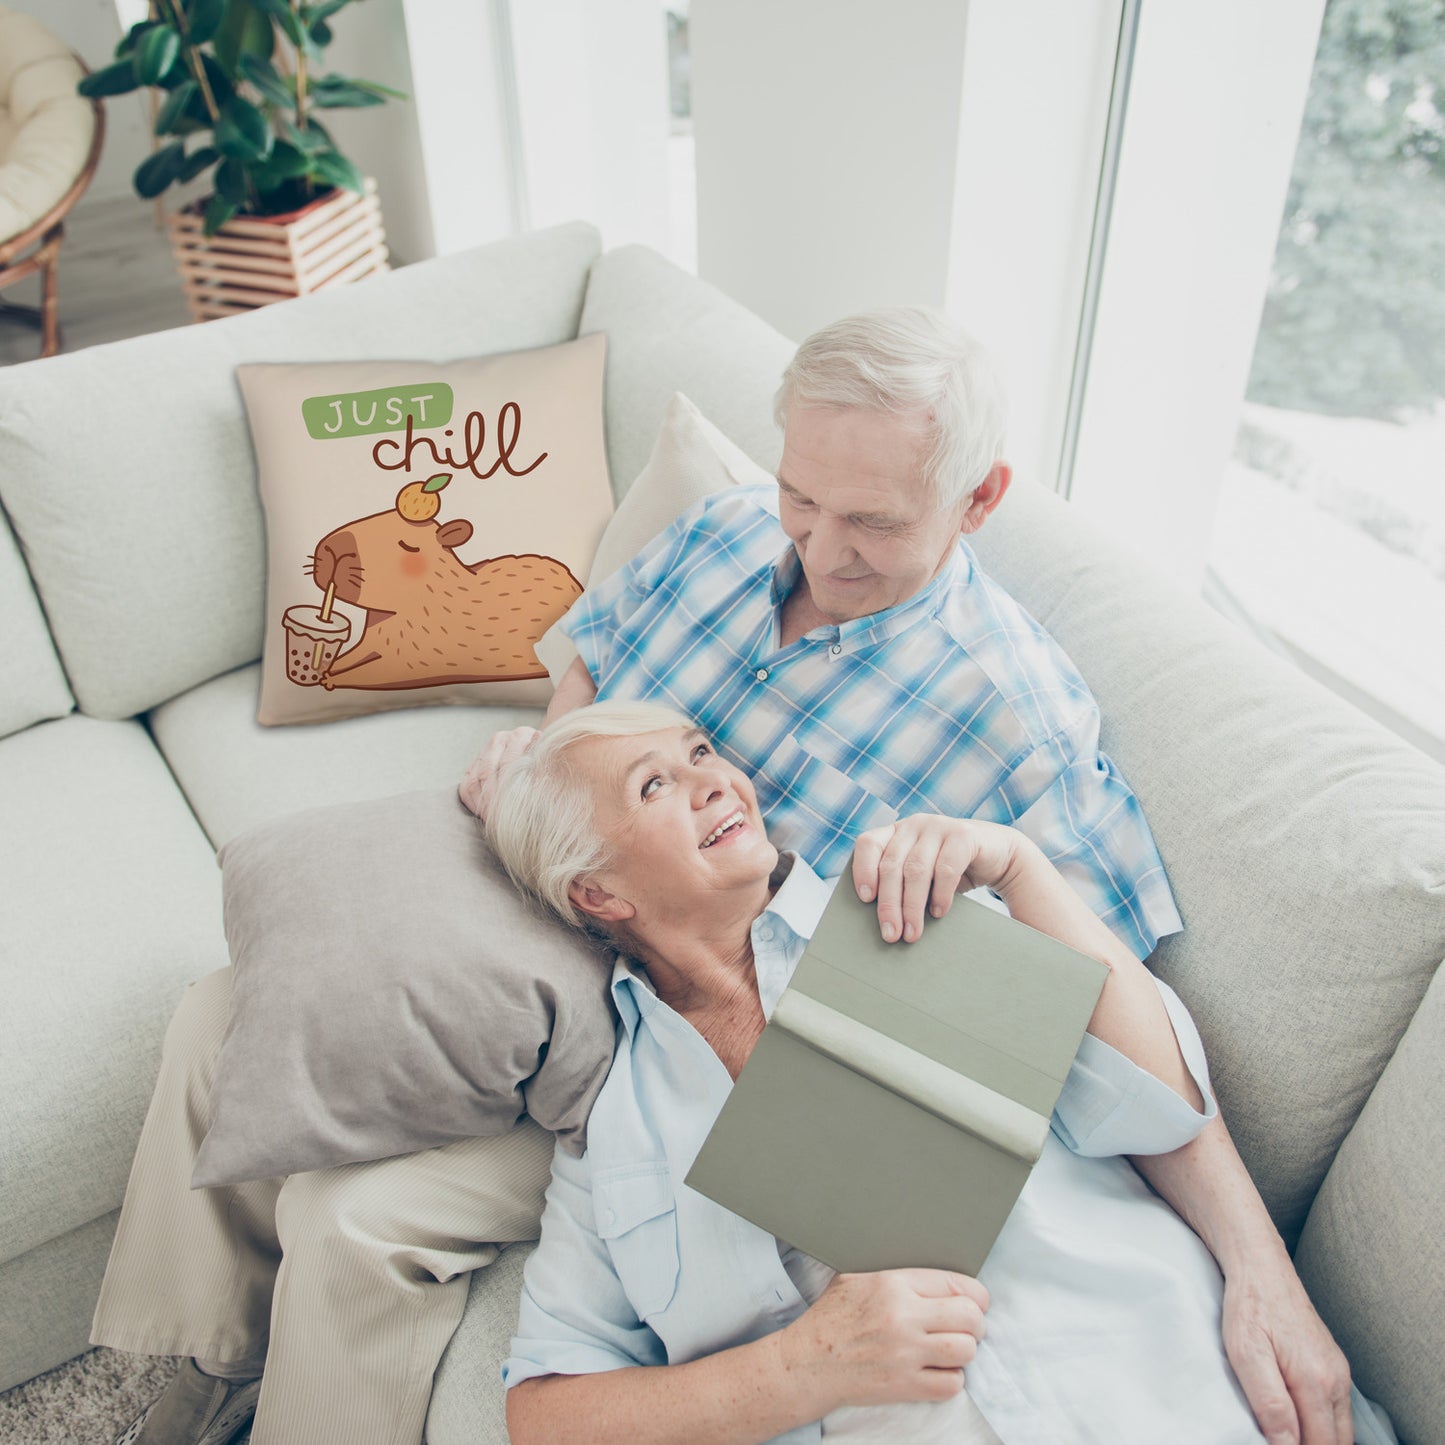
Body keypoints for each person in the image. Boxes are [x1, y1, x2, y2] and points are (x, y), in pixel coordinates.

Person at [94, 309, 1347, 1445]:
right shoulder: (724, 532)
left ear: (976, 501)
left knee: (356, 1218)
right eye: (803, 495)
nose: (818, 545)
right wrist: (544, 765)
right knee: (229, 1007)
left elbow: (1104, 1019)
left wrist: (1259, 1267)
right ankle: (192, 1365)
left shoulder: (1015, 724)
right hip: (580, 889)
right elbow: (589, 667)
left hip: (689, 1014)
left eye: (871, 521)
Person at [486, 700, 1383, 1445]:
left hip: (1175, 1391)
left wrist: (1021, 869)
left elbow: (1158, 1106)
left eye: (700, 752)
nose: (715, 779)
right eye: (655, 784)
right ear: (597, 893)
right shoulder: (614, 1132)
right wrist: (802, 1367)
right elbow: (545, 1412)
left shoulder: (909, 907)